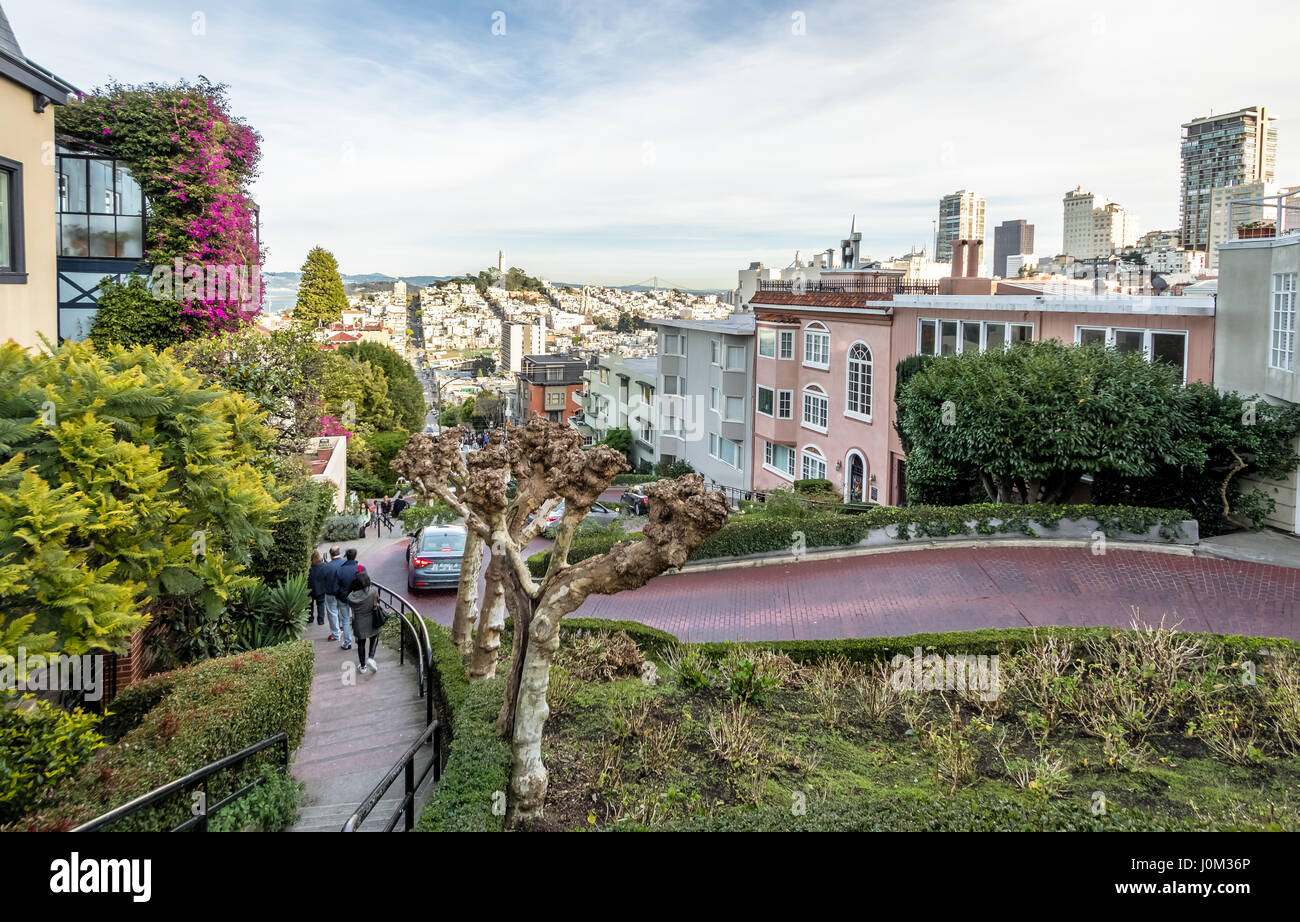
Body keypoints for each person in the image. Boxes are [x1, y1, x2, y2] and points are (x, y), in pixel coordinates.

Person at [347, 572, 381, 675]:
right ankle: (371, 657)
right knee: (374, 637)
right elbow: (377, 602)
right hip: (372, 620)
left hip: (359, 622)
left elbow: (350, 602)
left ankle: (362, 666)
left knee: (361, 643)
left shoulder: (351, 597)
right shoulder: (373, 592)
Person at [334, 548, 364, 650]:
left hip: (343, 598)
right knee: (356, 619)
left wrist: (339, 595)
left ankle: (347, 643)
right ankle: (358, 639)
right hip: (357, 598)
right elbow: (366, 582)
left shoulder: (340, 569)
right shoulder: (360, 568)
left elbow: (335, 587)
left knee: (345, 620)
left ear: (346, 556)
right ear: (355, 556)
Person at [321, 546, 345, 641]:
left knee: (332, 613)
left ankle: (336, 634)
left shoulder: (327, 566)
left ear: (330, 555)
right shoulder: (345, 563)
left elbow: (323, 579)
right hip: (343, 593)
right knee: (343, 611)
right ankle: (342, 627)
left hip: (331, 593)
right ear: (339, 552)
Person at [307, 550, 329, 625]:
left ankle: (310, 618)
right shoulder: (323, 565)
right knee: (321, 604)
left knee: (310, 604)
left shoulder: (308, 566)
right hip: (320, 589)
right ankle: (320, 620)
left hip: (310, 589)